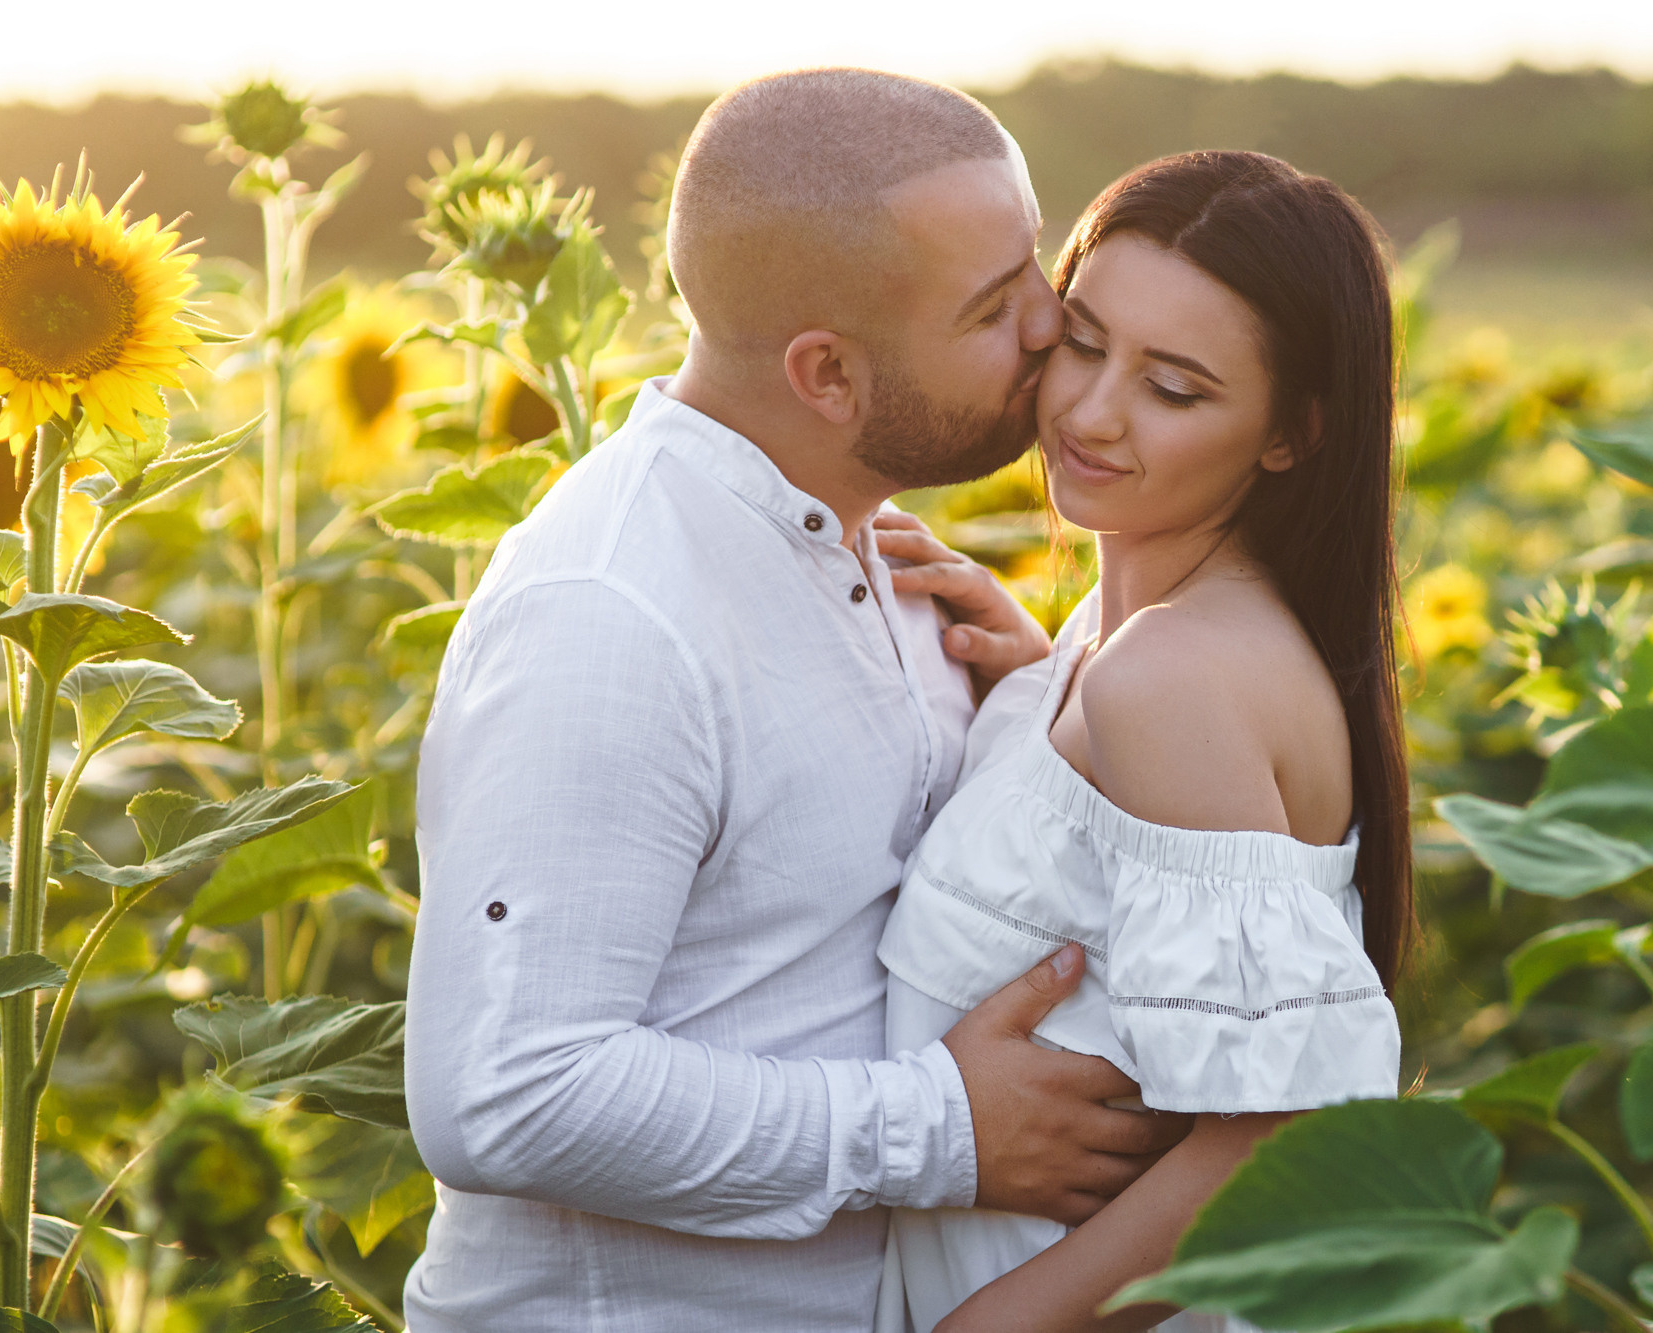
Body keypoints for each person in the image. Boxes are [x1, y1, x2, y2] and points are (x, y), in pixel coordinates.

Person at [401, 70, 1190, 1332]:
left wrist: (1032, 707)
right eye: (994, 307)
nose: (1053, 324)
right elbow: (508, 1090)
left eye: (1035, 265)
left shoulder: (861, 544)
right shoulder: (611, 613)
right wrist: (940, 1128)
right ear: (826, 372)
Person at [875, 151, 1412, 1332]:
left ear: (1289, 434)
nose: (1089, 410)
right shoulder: (1133, 646)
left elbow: (1281, 1131)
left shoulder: (1168, 676)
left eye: (1172, 389)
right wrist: (1036, 689)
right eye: (1078, 339)